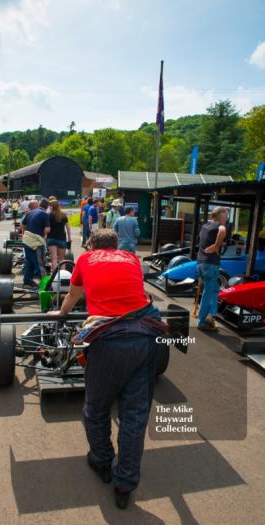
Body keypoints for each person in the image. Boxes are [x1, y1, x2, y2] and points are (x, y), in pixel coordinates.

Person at [48, 229, 165, 509]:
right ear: (116, 246)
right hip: (145, 337)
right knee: (134, 416)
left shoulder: (86, 259)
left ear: (91, 245)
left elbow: (74, 294)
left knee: (96, 408)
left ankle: (101, 461)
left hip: (109, 341)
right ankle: (125, 484)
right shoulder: (132, 259)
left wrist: (62, 314)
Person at [197, 206, 227, 331]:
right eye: (226, 215)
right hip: (211, 264)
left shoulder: (205, 227)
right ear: (220, 216)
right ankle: (202, 321)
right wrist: (216, 245)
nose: (226, 218)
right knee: (209, 293)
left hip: (201, 262)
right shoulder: (219, 226)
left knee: (213, 290)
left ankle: (211, 317)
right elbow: (222, 230)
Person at [20, 198, 50, 288]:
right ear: (47, 207)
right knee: (40, 264)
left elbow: (22, 225)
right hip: (35, 243)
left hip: (26, 240)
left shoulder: (29, 212)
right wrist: (44, 237)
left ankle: (27, 282)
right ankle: (46, 286)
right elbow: (47, 230)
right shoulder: (45, 214)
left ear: (40, 204)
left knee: (29, 262)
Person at [47, 200, 71, 270]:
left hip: (51, 238)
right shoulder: (63, 215)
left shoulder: (49, 215)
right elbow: (68, 227)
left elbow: (47, 228)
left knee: (54, 259)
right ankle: (62, 276)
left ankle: (54, 276)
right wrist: (69, 238)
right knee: (62, 259)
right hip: (61, 238)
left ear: (51, 206)